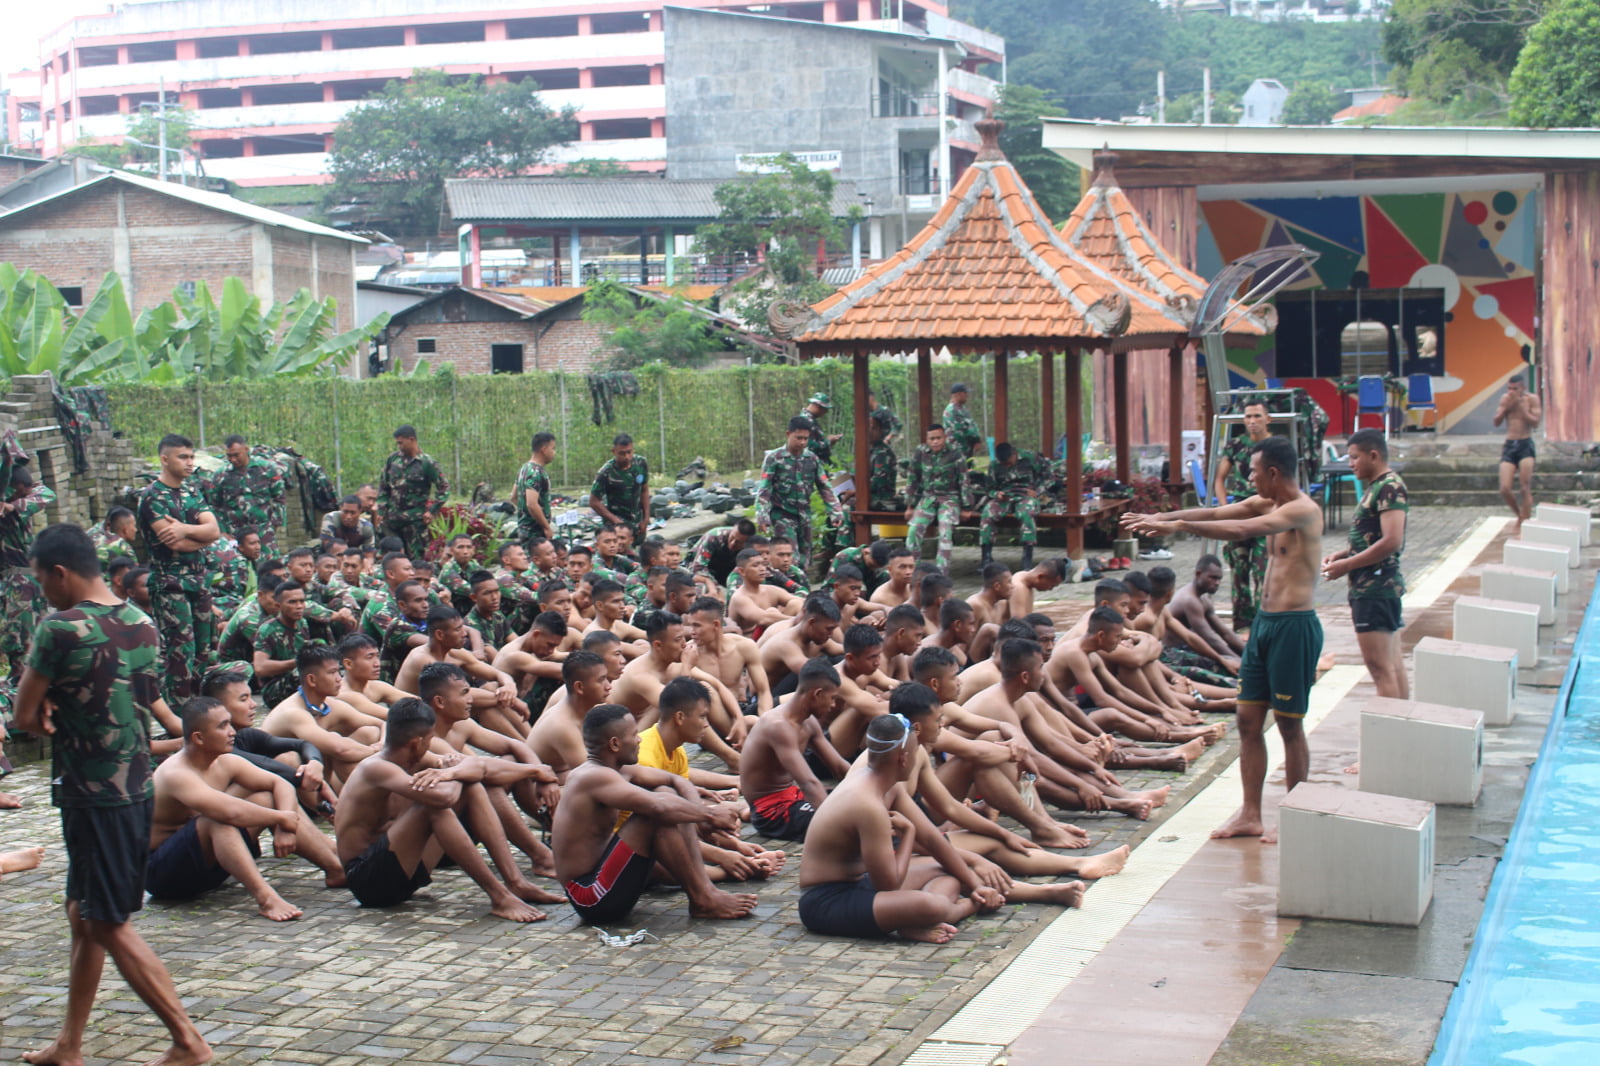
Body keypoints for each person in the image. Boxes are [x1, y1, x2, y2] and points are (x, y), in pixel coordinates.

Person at [12, 523, 212, 1066]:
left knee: (105, 921)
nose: (42, 591)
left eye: (40, 579)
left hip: (91, 793)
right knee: (84, 914)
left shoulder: (59, 629)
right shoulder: (141, 623)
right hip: (133, 787)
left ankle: (187, 1040)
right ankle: (69, 1045)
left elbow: (23, 716)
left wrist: (51, 704)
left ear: (59, 573)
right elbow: (144, 699)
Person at [1126, 435, 1324, 841]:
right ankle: (1250, 814)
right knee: (1248, 719)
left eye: (1252, 471)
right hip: (1265, 625)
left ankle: (1297, 815)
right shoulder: (1266, 501)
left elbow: (1239, 528)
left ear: (1273, 473)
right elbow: (1217, 510)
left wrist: (1178, 526)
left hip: (1294, 626)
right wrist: (1164, 519)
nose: (1248, 478)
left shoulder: (1303, 511)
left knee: (1288, 724)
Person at [334, 699, 546, 921]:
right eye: (430, 739)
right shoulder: (375, 768)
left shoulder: (417, 757)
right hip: (368, 882)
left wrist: (536, 771)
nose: (432, 744)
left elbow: (480, 767)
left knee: (472, 787)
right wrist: (454, 773)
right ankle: (499, 897)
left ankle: (516, 882)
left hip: (406, 871)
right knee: (435, 807)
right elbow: (445, 797)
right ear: (416, 743)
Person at [799, 714, 1001, 943]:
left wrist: (975, 885)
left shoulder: (885, 786)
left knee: (949, 871)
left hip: (860, 884)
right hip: (826, 902)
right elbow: (889, 884)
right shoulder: (868, 804)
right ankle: (965, 908)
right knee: (931, 905)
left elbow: (933, 839)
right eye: (916, 755)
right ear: (904, 759)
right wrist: (908, 836)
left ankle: (911, 919)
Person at [552, 704, 758, 923]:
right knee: (655, 813)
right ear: (615, 744)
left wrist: (700, 814)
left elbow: (676, 781)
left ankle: (704, 892)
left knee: (665, 792)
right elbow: (658, 808)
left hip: (605, 881)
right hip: (590, 896)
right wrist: (708, 816)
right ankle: (703, 897)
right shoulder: (593, 777)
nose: (639, 739)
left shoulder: (617, 769)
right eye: (633, 735)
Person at [147, 697, 344, 921]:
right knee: (216, 820)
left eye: (230, 723)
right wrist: (283, 817)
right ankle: (266, 899)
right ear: (199, 737)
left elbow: (279, 783)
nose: (232, 732)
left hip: (209, 867)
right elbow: (230, 812)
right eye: (222, 726)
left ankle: (335, 869)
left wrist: (286, 827)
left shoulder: (226, 761)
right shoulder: (176, 773)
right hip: (165, 876)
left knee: (264, 796)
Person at [1321, 429, 1409, 700]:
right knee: (1391, 665)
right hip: (1374, 587)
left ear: (1374, 455)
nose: (1350, 464)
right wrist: (1344, 553)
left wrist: (1347, 566)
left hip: (1375, 589)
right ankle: (1403, 724)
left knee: (1381, 668)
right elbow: (1374, 536)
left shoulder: (1389, 487)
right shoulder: (1378, 486)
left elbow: (1392, 541)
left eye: (1355, 457)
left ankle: (1391, 730)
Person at [137, 434, 222, 704]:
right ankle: (178, 714)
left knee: (203, 650)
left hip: (198, 582)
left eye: (191, 457)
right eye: (182, 457)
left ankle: (196, 708)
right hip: (170, 584)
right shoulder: (152, 497)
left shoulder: (191, 491)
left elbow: (214, 530)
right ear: (164, 459)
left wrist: (185, 528)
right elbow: (174, 544)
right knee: (179, 652)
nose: (189, 463)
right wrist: (199, 537)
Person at [740, 658, 850, 840]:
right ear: (817, 694)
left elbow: (839, 767)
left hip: (794, 797)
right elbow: (809, 783)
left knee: (858, 805)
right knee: (850, 822)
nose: (832, 705)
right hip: (772, 812)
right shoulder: (778, 726)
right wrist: (835, 820)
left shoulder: (809, 722)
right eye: (832, 698)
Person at [260, 645, 382, 786]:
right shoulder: (293, 713)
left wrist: (381, 744)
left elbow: (382, 723)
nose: (339, 679)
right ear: (312, 680)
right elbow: (340, 749)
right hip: (276, 782)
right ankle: (323, 807)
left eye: (338, 672)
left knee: (369, 732)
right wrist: (376, 750)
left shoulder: (329, 705)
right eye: (332, 673)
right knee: (291, 758)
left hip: (320, 777)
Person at [1211, 400, 1272, 630]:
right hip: (1239, 511)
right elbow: (1219, 479)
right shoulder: (1236, 445)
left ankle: (1262, 621)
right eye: (1248, 417)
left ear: (1268, 419)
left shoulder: (1275, 446)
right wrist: (1225, 508)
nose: (1252, 421)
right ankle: (1242, 622)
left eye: (1257, 416)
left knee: (1262, 569)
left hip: (1265, 513)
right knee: (1239, 569)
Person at [757, 416, 844, 573]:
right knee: (790, 557)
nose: (803, 442)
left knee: (805, 558)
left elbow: (824, 486)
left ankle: (801, 590)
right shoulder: (774, 458)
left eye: (806, 438)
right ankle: (790, 592)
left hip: (804, 515)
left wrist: (835, 511)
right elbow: (764, 489)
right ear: (788, 434)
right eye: (799, 438)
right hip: (782, 515)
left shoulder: (811, 458)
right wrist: (762, 516)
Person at [0, 464, 57, 681]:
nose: (25, 494)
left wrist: (12, 506)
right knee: (15, 641)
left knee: (24, 643)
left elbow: (46, 493)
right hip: (11, 581)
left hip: (22, 581)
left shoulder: (17, 509)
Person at [683, 596, 772, 717]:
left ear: (715, 624)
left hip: (739, 711)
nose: (691, 632)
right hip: (707, 720)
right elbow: (683, 698)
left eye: (697, 626)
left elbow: (763, 691)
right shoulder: (689, 654)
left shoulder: (743, 647)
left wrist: (764, 720)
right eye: (691, 626)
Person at [376, 424, 450, 557]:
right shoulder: (393, 460)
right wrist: (381, 509)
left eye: (401, 443)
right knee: (393, 558)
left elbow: (444, 488)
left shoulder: (427, 463)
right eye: (397, 443)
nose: (399, 446)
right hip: (393, 519)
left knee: (417, 557)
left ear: (411, 439)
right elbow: (384, 485)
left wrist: (432, 510)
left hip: (415, 520)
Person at [205, 435, 286, 549]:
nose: (233, 459)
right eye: (229, 456)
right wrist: (222, 531)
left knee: (268, 565)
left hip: (263, 532)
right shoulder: (221, 475)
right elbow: (214, 506)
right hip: (234, 533)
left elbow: (279, 498)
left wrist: (275, 524)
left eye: (236, 455)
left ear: (246, 450)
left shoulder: (267, 469)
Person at [904, 424, 966, 572]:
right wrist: (910, 506)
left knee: (945, 531)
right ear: (927, 439)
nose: (935, 442)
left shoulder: (955, 453)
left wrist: (966, 507)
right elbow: (913, 478)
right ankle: (912, 571)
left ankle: (941, 573)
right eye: (932, 439)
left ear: (944, 438)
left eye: (938, 438)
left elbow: (964, 480)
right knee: (914, 530)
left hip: (949, 499)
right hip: (928, 499)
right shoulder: (920, 452)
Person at [980, 442, 1046, 569]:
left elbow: (1049, 477)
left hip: (1026, 495)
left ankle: (1027, 557)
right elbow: (989, 488)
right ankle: (986, 556)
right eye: (1004, 464)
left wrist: (1037, 491)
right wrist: (996, 493)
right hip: (1006, 496)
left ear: (1014, 454)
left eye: (1009, 463)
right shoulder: (994, 466)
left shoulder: (1031, 458)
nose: (1007, 466)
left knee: (1026, 513)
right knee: (987, 513)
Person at [1494, 373, 1542, 534]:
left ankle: (1525, 519)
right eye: (1509, 388)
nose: (1511, 391)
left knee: (1524, 487)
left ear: (1523, 388)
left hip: (1525, 444)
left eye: (1515, 388)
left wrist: (1522, 409)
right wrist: (1507, 407)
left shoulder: (1532, 399)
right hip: (1510, 444)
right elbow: (1496, 422)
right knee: (1505, 488)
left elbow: (1535, 422)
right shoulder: (1505, 399)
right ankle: (1519, 515)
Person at [590, 433, 650, 543]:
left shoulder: (641, 463)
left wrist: (646, 518)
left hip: (637, 522)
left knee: (637, 555)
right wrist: (616, 521)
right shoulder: (606, 472)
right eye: (622, 453)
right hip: (616, 526)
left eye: (629, 452)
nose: (626, 457)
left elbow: (644, 490)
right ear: (614, 452)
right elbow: (594, 502)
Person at [515, 432, 558, 545]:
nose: (554, 453)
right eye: (553, 448)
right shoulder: (535, 472)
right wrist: (546, 526)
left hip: (524, 529)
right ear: (544, 449)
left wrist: (525, 515)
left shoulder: (524, 469)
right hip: (535, 532)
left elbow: (513, 496)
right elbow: (531, 504)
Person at [690, 518, 755, 588]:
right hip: (702, 566)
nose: (732, 543)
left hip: (727, 570)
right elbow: (698, 567)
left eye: (738, 542)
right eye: (732, 537)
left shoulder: (753, 546)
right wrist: (715, 586)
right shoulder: (713, 537)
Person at [796, 392, 842, 466]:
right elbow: (809, 446)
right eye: (825, 409)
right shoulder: (805, 420)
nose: (826, 412)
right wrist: (828, 442)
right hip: (811, 465)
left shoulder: (811, 419)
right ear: (817, 406)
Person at [942, 382, 983, 459]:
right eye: (965, 393)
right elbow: (960, 430)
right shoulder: (952, 410)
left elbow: (972, 425)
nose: (967, 395)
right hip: (957, 452)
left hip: (966, 451)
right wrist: (975, 440)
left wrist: (977, 440)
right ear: (959, 394)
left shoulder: (963, 409)